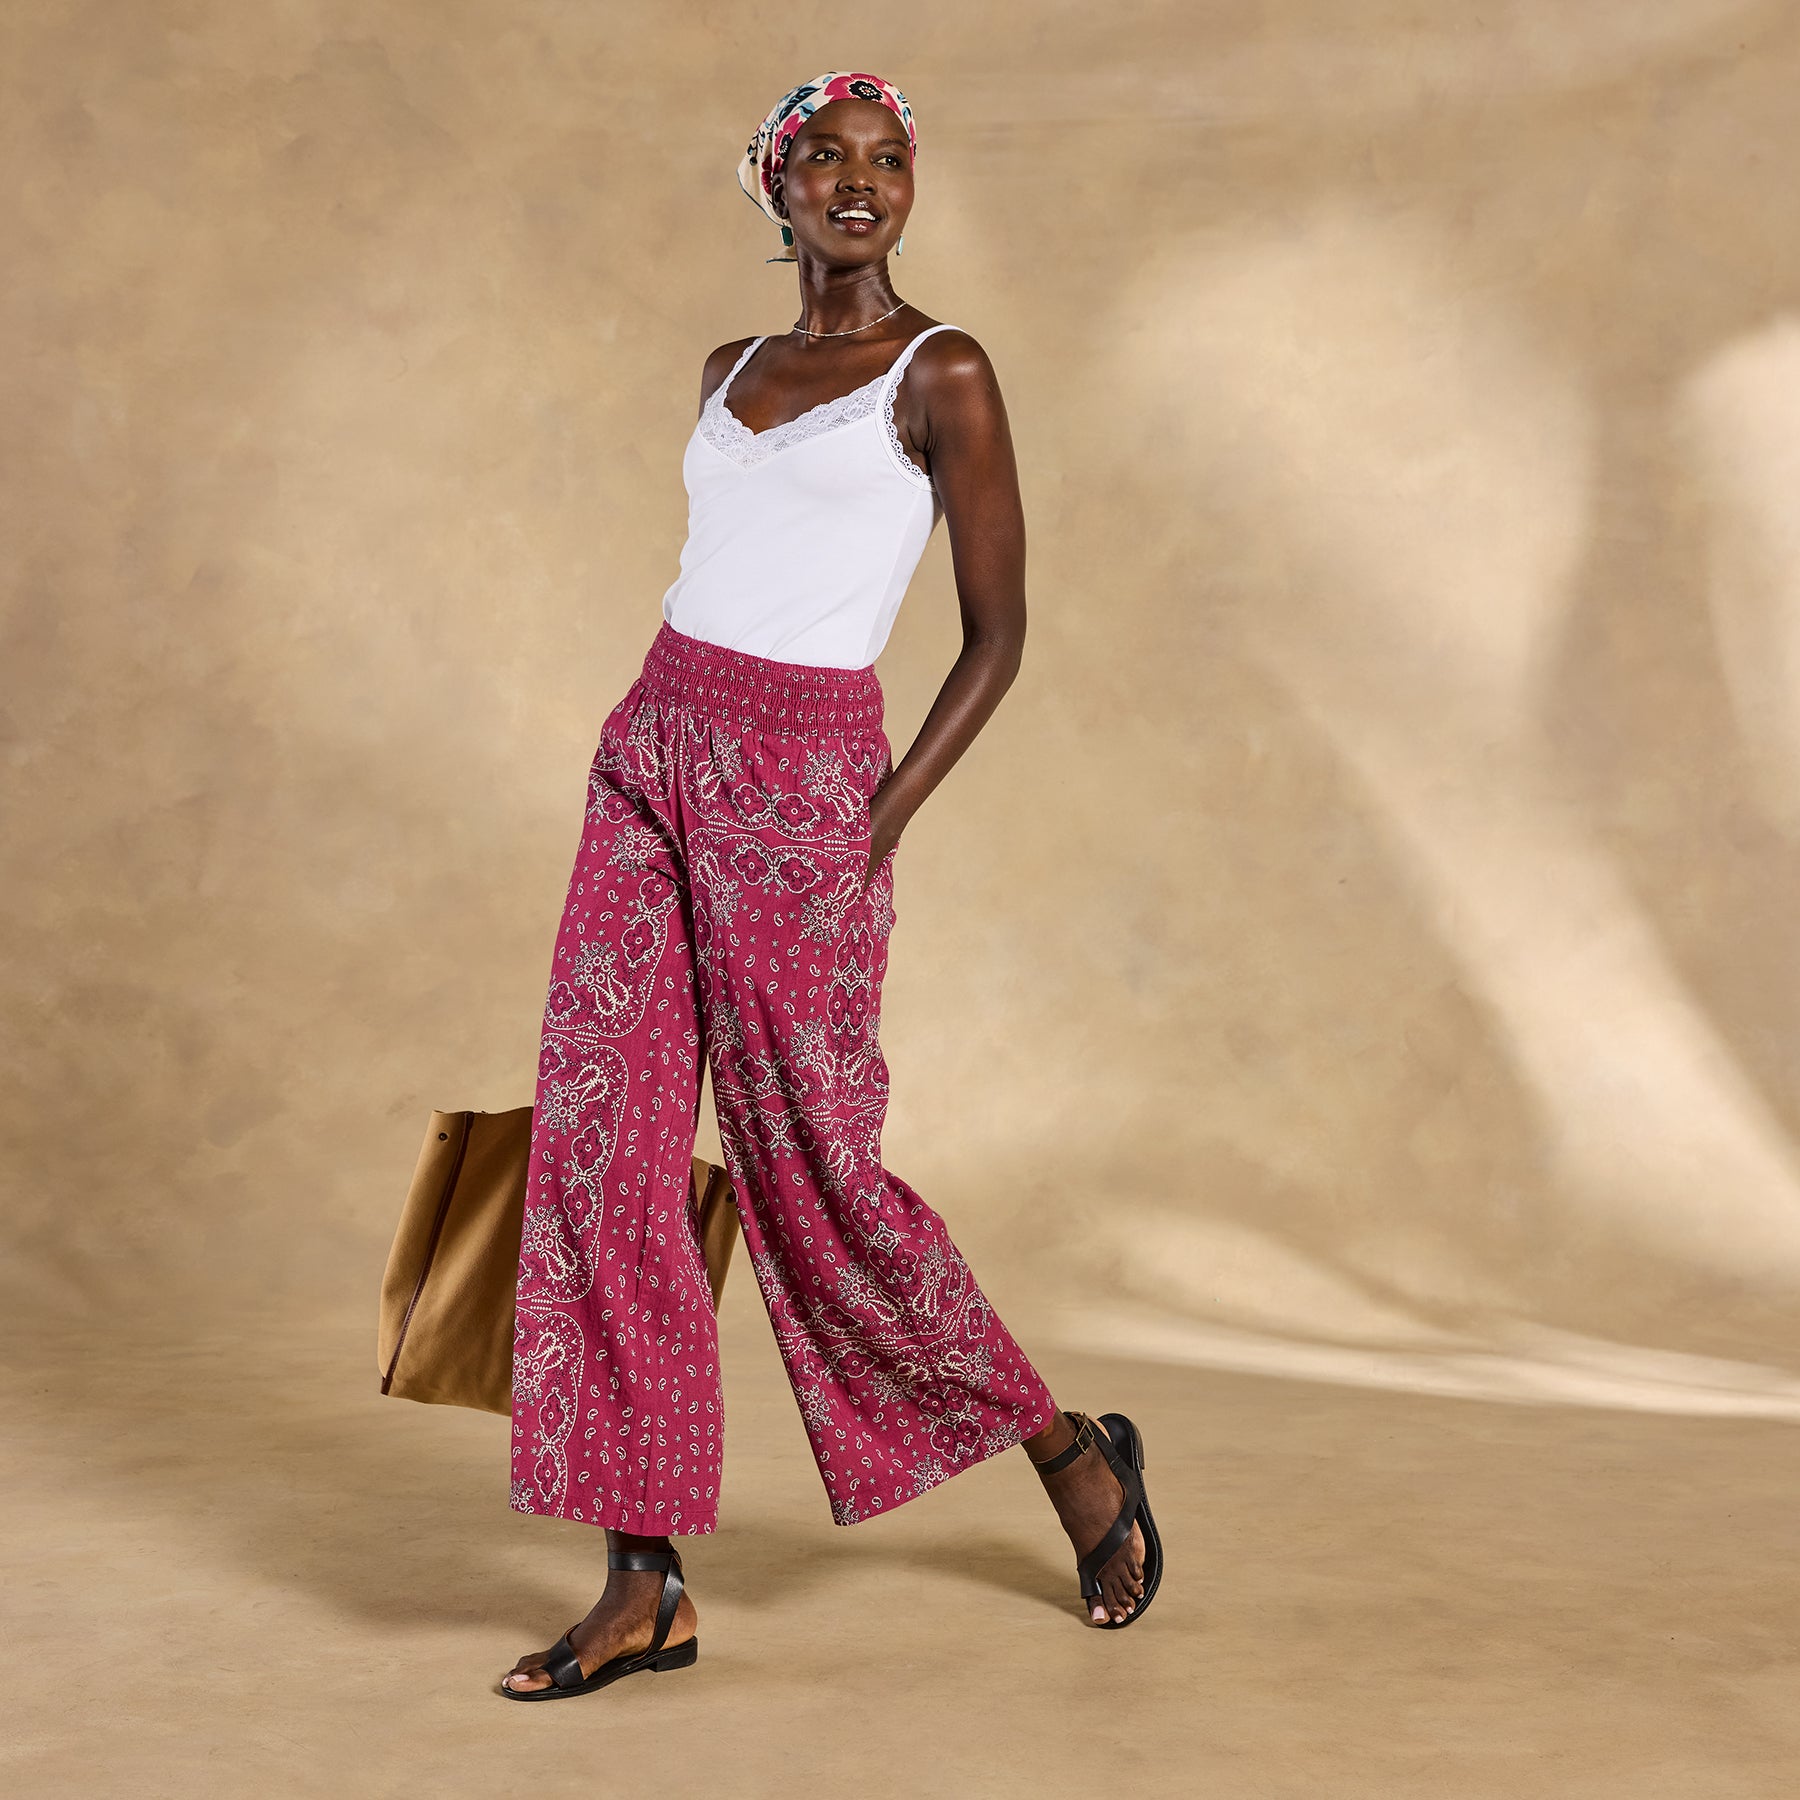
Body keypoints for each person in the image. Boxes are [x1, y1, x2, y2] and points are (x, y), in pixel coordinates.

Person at [500, 71, 1163, 1701]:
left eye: (887, 163)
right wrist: (663, 750)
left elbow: (999, 634)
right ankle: (642, 1582)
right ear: (775, 183)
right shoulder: (724, 371)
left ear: (908, 191)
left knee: (813, 1176)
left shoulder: (944, 373)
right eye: (826, 159)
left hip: (807, 784)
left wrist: (884, 816)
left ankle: (1065, 1446)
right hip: (654, 743)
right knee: (601, 1141)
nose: (858, 184)